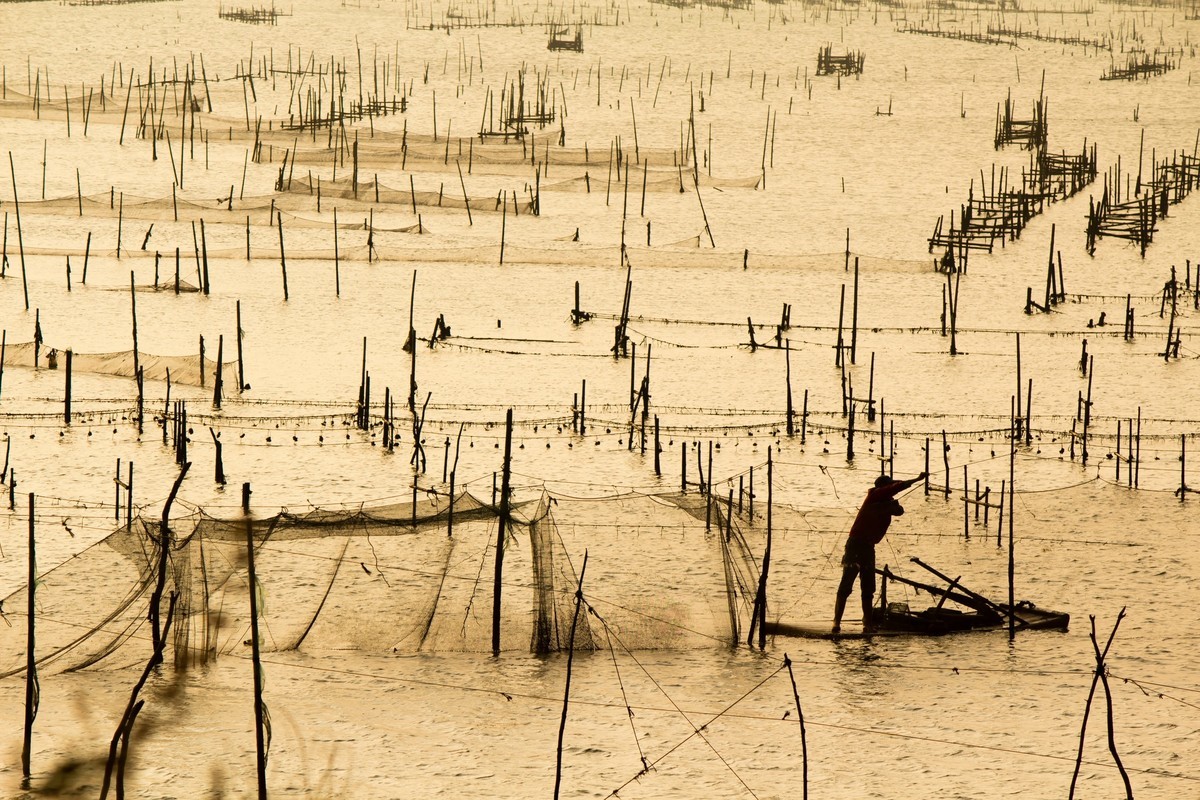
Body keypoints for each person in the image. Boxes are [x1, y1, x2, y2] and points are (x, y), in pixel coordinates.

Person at [833, 471, 927, 633]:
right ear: (883, 488)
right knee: (846, 585)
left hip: (869, 547)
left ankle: (867, 624)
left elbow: (899, 511)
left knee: (868, 587)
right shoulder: (874, 495)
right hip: (855, 545)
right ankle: (836, 622)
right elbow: (896, 488)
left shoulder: (886, 502)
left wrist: (891, 504)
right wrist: (917, 479)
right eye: (888, 487)